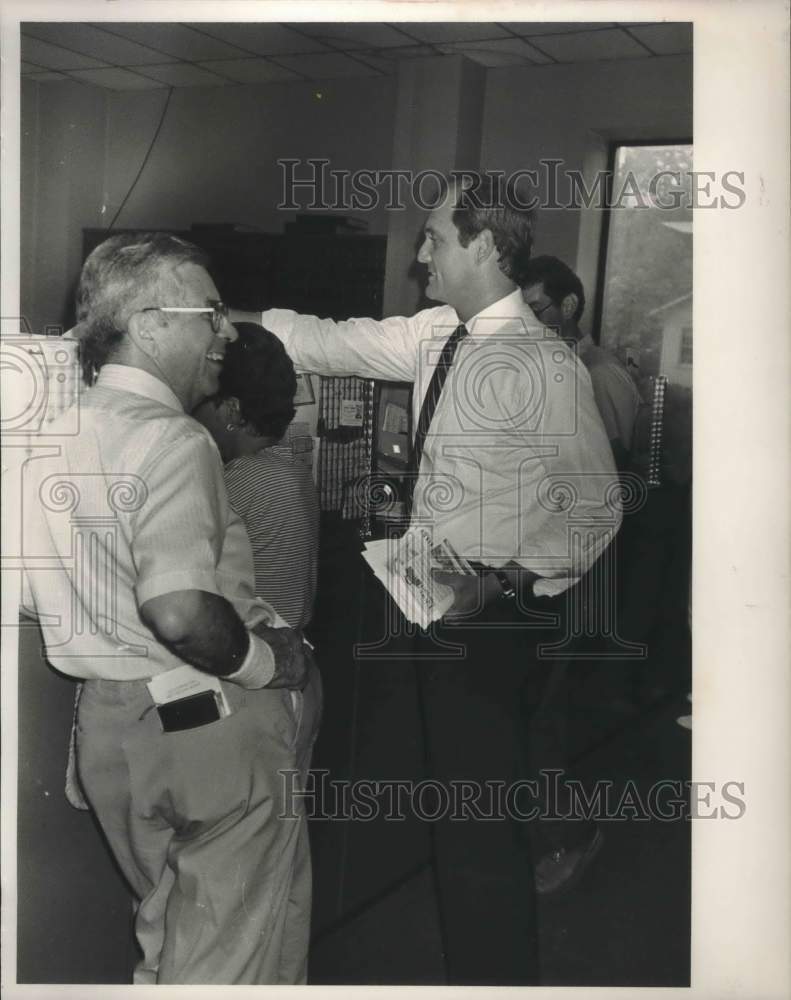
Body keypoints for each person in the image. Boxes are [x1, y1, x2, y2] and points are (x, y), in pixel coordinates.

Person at [233, 173, 621, 985]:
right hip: (425, 599)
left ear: (483, 244)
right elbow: (323, 338)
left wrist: (502, 579)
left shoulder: (544, 367)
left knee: (478, 820)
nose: (420, 255)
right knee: (449, 808)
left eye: (434, 239)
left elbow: (595, 507)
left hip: (493, 617)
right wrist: (217, 317)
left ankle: (497, 975)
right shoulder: (435, 335)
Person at [21, 233, 320, 985]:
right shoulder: (174, 438)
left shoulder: (46, 434)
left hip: (111, 733)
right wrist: (267, 659)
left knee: (167, 934)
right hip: (208, 726)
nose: (224, 332)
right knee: (236, 958)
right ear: (151, 322)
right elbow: (181, 612)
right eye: (210, 313)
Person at [195, 323, 320, 632]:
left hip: (262, 648)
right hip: (291, 643)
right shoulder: (290, 468)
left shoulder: (242, 480)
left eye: (201, 403)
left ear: (230, 411)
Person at [522, 255, 641, 471]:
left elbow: (613, 468)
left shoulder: (599, 373)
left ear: (568, 306)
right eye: (521, 314)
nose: (526, 324)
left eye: (535, 310)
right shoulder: (549, 370)